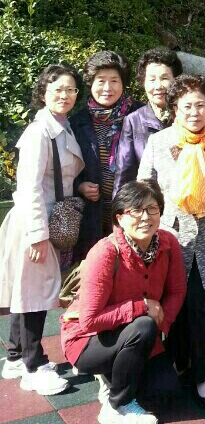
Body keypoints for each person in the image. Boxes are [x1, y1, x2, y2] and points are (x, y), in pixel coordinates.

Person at [60, 180, 187, 424]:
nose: (145, 217)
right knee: (143, 325)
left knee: (165, 392)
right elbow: (90, 320)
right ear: (119, 217)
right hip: (88, 340)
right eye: (135, 211)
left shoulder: (168, 244)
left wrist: (161, 325)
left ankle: (116, 375)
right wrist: (141, 306)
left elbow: (177, 291)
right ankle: (117, 404)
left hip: (138, 336)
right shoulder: (106, 252)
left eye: (152, 209)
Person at [138, 74, 205, 408]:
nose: (194, 112)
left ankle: (202, 374)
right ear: (175, 107)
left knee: (198, 305)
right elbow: (144, 185)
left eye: (200, 105)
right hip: (170, 238)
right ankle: (178, 363)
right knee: (174, 305)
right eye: (187, 105)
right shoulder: (159, 142)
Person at [0, 64, 85, 395]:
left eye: (70, 89)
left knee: (26, 290)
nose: (65, 95)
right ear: (43, 93)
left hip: (47, 218)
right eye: (57, 89)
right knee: (34, 294)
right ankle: (34, 365)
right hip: (35, 222)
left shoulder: (62, 126)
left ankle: (15, 356)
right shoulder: (39, 132)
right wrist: (37, 235)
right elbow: (29, 187)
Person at [72, 50, 141, 260]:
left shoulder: (139, 116)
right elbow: (65, 167)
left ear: (123, 83)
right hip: (91, 216)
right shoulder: (77, 121)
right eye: (101, 81)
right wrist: (79, 186)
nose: (107, 88)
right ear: (90, 83)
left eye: (114, 81)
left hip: (131, 213)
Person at [115, 48, 183, 193]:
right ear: (143, 83)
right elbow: (124, 173)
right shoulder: (133, 121)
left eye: (164, 78)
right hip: (148, 201)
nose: (158, 86)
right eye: (152, 79)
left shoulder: (189, 116)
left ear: (175, 80)